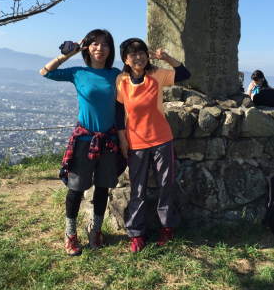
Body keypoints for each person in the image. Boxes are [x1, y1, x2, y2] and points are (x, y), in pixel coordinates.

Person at [39, 29, 123, 257]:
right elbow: (45, 72)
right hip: (85, 140)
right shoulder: (78, 72)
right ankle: (70, 234)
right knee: (76, 189)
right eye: (94, 44)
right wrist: (68, 54)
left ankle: (95, 230)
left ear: (110, 49)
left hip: (109, 140)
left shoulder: (116, 74)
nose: (100, 48)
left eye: (105, 44)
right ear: (87, 48)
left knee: (103, 187)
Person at [115, 38, 191, 253]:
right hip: (135, 141)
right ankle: (137, 233)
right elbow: (119, 112)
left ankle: (167, 227)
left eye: (141, 52)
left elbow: (185, 74)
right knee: (137, 189)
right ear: (125, 59)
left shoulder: (157, 74)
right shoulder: (121, 80)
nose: (138, 57)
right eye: (133, 54)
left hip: (161, 139)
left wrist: (165, 57)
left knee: (165, 185)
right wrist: (122, 138)